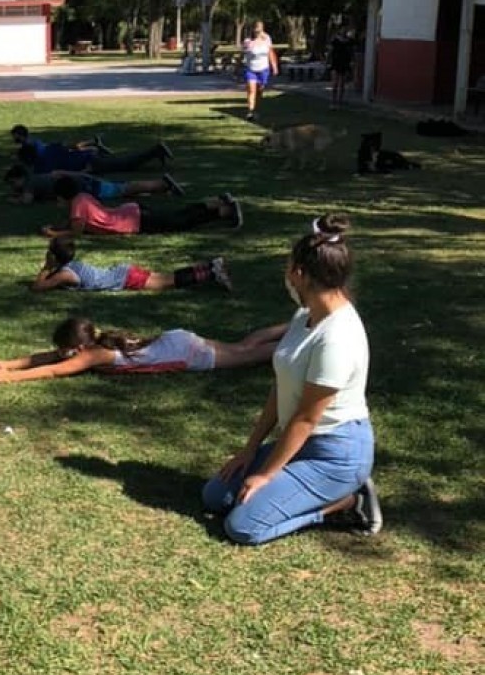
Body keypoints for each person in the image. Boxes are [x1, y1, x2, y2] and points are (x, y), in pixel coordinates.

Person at [201, 213, 382, 545]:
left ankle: (347, 502)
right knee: (215, 496)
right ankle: (291, 486)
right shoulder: (305, 315)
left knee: (243, 526)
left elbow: (307, 417)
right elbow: (282, 384)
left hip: (334, 454)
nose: (286, 276)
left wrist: (264, 474)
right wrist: (249, 450)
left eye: (288, 268)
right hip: (299, 443)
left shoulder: (338, 337)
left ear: (300, 274)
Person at [0, 317, 286, 384]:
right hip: (177, 339)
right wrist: (8, 364)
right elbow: (49, 357)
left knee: (247, 355)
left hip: (185, 354)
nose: (62, 354)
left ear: (80, 347)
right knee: (243, 345)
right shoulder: (94, 341)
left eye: (67, 350)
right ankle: (295, 323)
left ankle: (298, 345)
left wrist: (12, 378)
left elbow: (53, 369)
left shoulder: (92, 355)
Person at [41, 177, 242, 237]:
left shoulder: (76, 206)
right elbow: (75, 222)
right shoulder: (82, 197)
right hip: (131, 211)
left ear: (62, 196)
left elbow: (76, 231)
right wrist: (59, 225)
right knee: (176, 215)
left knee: (180, 222)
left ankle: (223, 211)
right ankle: (216, 201)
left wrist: (53, 233)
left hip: (133, 222)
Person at [31, 235, 233, 293]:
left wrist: (46, 267)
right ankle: (210, 266)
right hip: (124, 271)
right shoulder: (70, 266)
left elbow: (38, 287)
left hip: (126, 278)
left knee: (168, 282)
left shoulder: (64, 274)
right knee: (167, 277)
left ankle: (212, 273)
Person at [4, 163, 185, 204]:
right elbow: (59, 172)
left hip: (88, 188)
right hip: (86, 182)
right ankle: (163, 189)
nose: (13, 187)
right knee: (124, 190)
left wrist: (13, 200)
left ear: (20, 178)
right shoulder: (37, 178)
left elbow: (27, 201)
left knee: (124, 189)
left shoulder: (29, 183)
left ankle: (162, 184)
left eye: (13, 183)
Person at [17, 139, 172, 176]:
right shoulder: (48, 148)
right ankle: (155, 152)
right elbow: (70, 146)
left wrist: (84, 172)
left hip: (89, 164)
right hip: (88, 156)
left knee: (125, 164)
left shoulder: (42, 167)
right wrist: (89, 146)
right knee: (121, 161)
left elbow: (61, 173)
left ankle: (156, 151)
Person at [242, 20, 278, 122]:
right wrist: (237, 67)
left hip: (263, 69)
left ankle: (256, 109)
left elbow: (270, 53)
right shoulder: (248, 41)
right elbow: (243, 56)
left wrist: (274, 66)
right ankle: (250, 111)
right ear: (253, 29)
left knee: (260, 91)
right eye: (256, 28)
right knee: (251, 90)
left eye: (260, 27)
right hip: (251, 69)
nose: (258, 30)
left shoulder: (267, 39)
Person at [328, 28, 356, 108]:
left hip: (344, 63)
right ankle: (333, 101)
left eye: (345, 30)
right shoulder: (335, 41)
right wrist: (328, 61)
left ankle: (340, 101)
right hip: (336, 63)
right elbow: (330, 51)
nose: (343, 31)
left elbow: (352, 52)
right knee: (335, 83)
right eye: (342, 29)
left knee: (342, 84)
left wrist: (352, 61)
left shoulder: (349, 41)